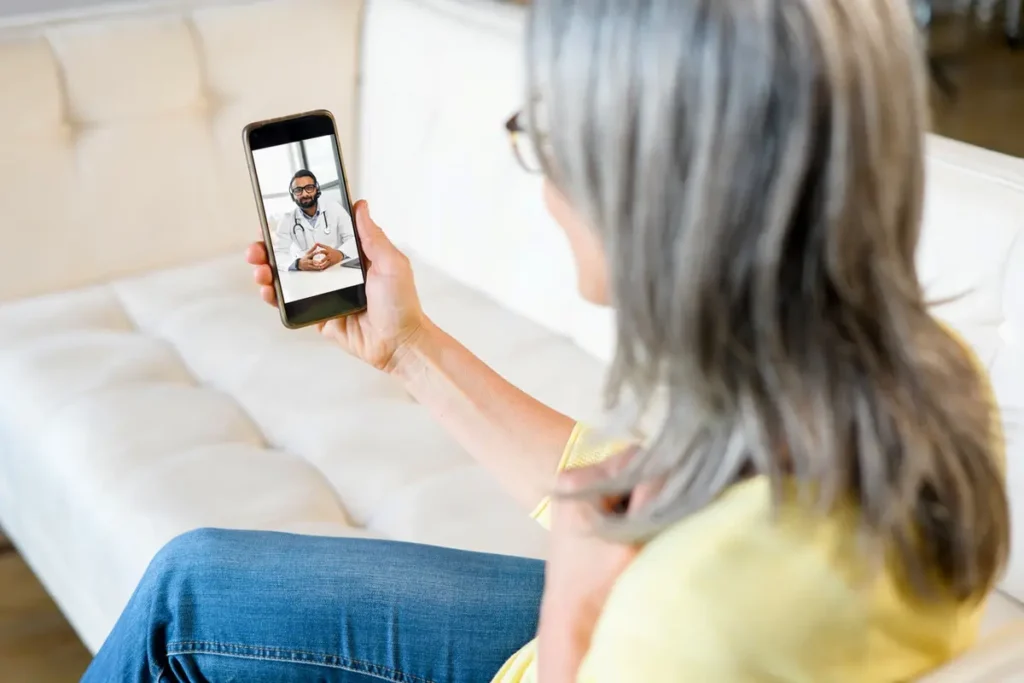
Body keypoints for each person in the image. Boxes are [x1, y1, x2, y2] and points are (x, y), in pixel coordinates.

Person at [81, 1, 1009, 682]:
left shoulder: (684, 618)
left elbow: (657, 601)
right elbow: (635, 496)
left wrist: (572, 607)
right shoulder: (921, 383)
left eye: (555, 134)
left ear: (656, 186)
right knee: (192, 584)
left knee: (178, 612)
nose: (548, 183)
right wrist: (407, 346)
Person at [273, 169, 354, 272]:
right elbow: (278, 253)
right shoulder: (287, 219)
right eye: (298, 190)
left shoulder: (334, 208)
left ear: (316, 189)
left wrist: (339, 254)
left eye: (309, 188)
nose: (304, 194)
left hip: (337, 268)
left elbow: (353, 238)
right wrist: (298, 264)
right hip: (307, 274)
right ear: (293, 195)